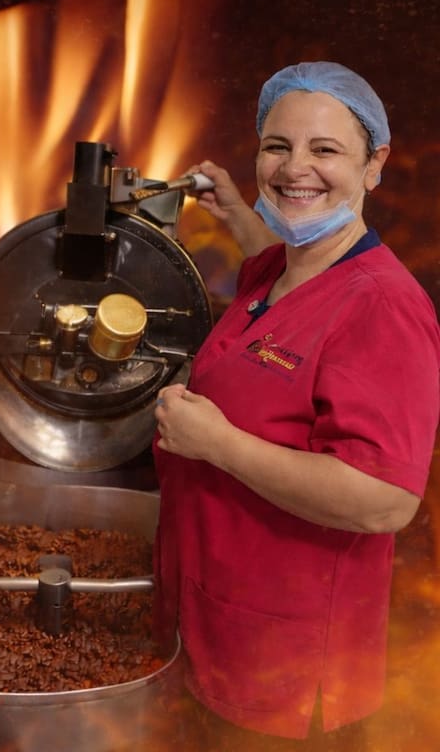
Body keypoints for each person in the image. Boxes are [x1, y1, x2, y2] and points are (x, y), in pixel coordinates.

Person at [152, 61, 440, 749]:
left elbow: (384, 500)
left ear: (374, 165)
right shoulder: (283, 270)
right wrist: (236, 215)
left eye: (325, 150)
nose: (294, 167)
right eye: (277, 146)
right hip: (219, 635)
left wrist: (218, 443)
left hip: (289, 678)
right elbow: (291, 307)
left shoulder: (383, 308)